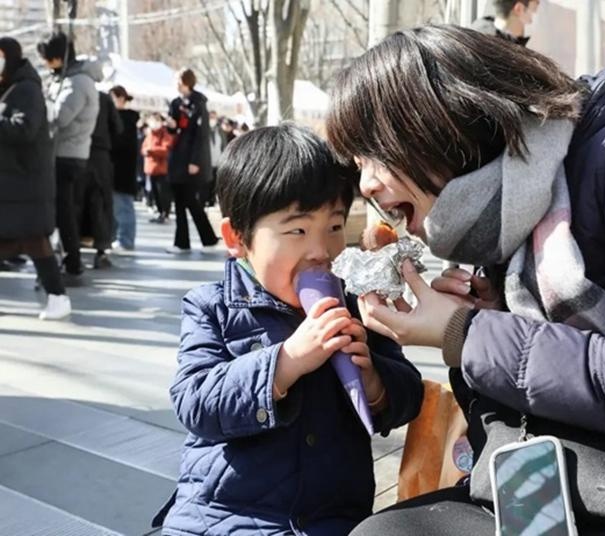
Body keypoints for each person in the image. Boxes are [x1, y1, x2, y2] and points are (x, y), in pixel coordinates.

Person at [325, 24, 605, 534]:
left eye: (375, 155)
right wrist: (491, 319)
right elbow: (517, 402)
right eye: (358, 164)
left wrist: (465, 332)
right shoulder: (495, 207)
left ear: (435, 123)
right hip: (546, 483)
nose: (367, 184)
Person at [158, 124, 424, 535]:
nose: (321, 251)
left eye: (335, 227)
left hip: (331, 518)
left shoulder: (358, 305)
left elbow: (408, 395)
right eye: (297, 231)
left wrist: (373, 381)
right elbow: (196, 403)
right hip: (224, 516)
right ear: (237, 237)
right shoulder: (211, 307)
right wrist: (287, 360)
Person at [0, 37, 71, 319]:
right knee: (29, 240)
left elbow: (25, 128)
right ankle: (57, 296)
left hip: (24, 183)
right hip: (15, 184)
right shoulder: (12, 88)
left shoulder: (26, 89)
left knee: (34, 240)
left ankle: (58, 296)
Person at [38, 31, 99, 284]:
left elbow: (60, 117)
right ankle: (70, 259)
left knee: (64, 212)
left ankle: (72, 261)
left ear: (56, 57)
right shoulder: (72, 78)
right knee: (65, 211)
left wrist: (43, 102)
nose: (45, 63)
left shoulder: (77, 82)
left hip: (67, 155)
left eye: (46, 58)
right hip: (69, 153)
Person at [165, 68, 218, 254]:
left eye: (177, 79)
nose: (175, 83)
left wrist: (196, 161)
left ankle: (209, 239)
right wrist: (171, 126)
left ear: (185, 81)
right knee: (179, 201)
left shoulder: (199, 103)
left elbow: (201, 135)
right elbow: (173, 128)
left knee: (191, 201)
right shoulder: (175, 103)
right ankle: (182, 243)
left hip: (191, 161)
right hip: (177, 158)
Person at [83, 89, 123, 268]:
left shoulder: (70, 90)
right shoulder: (104, 98)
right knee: (100, 202)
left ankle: (72, 250)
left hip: (75, 153)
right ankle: (101, 249)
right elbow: (118, 127)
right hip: (100, 155)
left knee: (73, 202)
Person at [110, 85, 139, 251]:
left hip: (122, 169)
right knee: (118, 207)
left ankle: (125, 240)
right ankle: (119, 238)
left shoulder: (125, 118)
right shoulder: (125, 118)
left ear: (121, 98)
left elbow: (122, 144)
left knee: (123, 207)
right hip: (119, 169)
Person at [141, 113, 173, 223]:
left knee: (163, 193)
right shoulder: (150, 134)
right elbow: (144, 148)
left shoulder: (165, 133)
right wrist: (147, 150)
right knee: (155, 193)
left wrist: (151, 150)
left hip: (162, 169)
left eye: (156, 120)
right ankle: (160, 213)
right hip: (150, 169)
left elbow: (165, 149)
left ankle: (166, 213)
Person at [472, 0, 539, 45]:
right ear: (519, 9)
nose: (531, 20)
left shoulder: (477, 33)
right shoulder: (488, 44)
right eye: (534, 10)